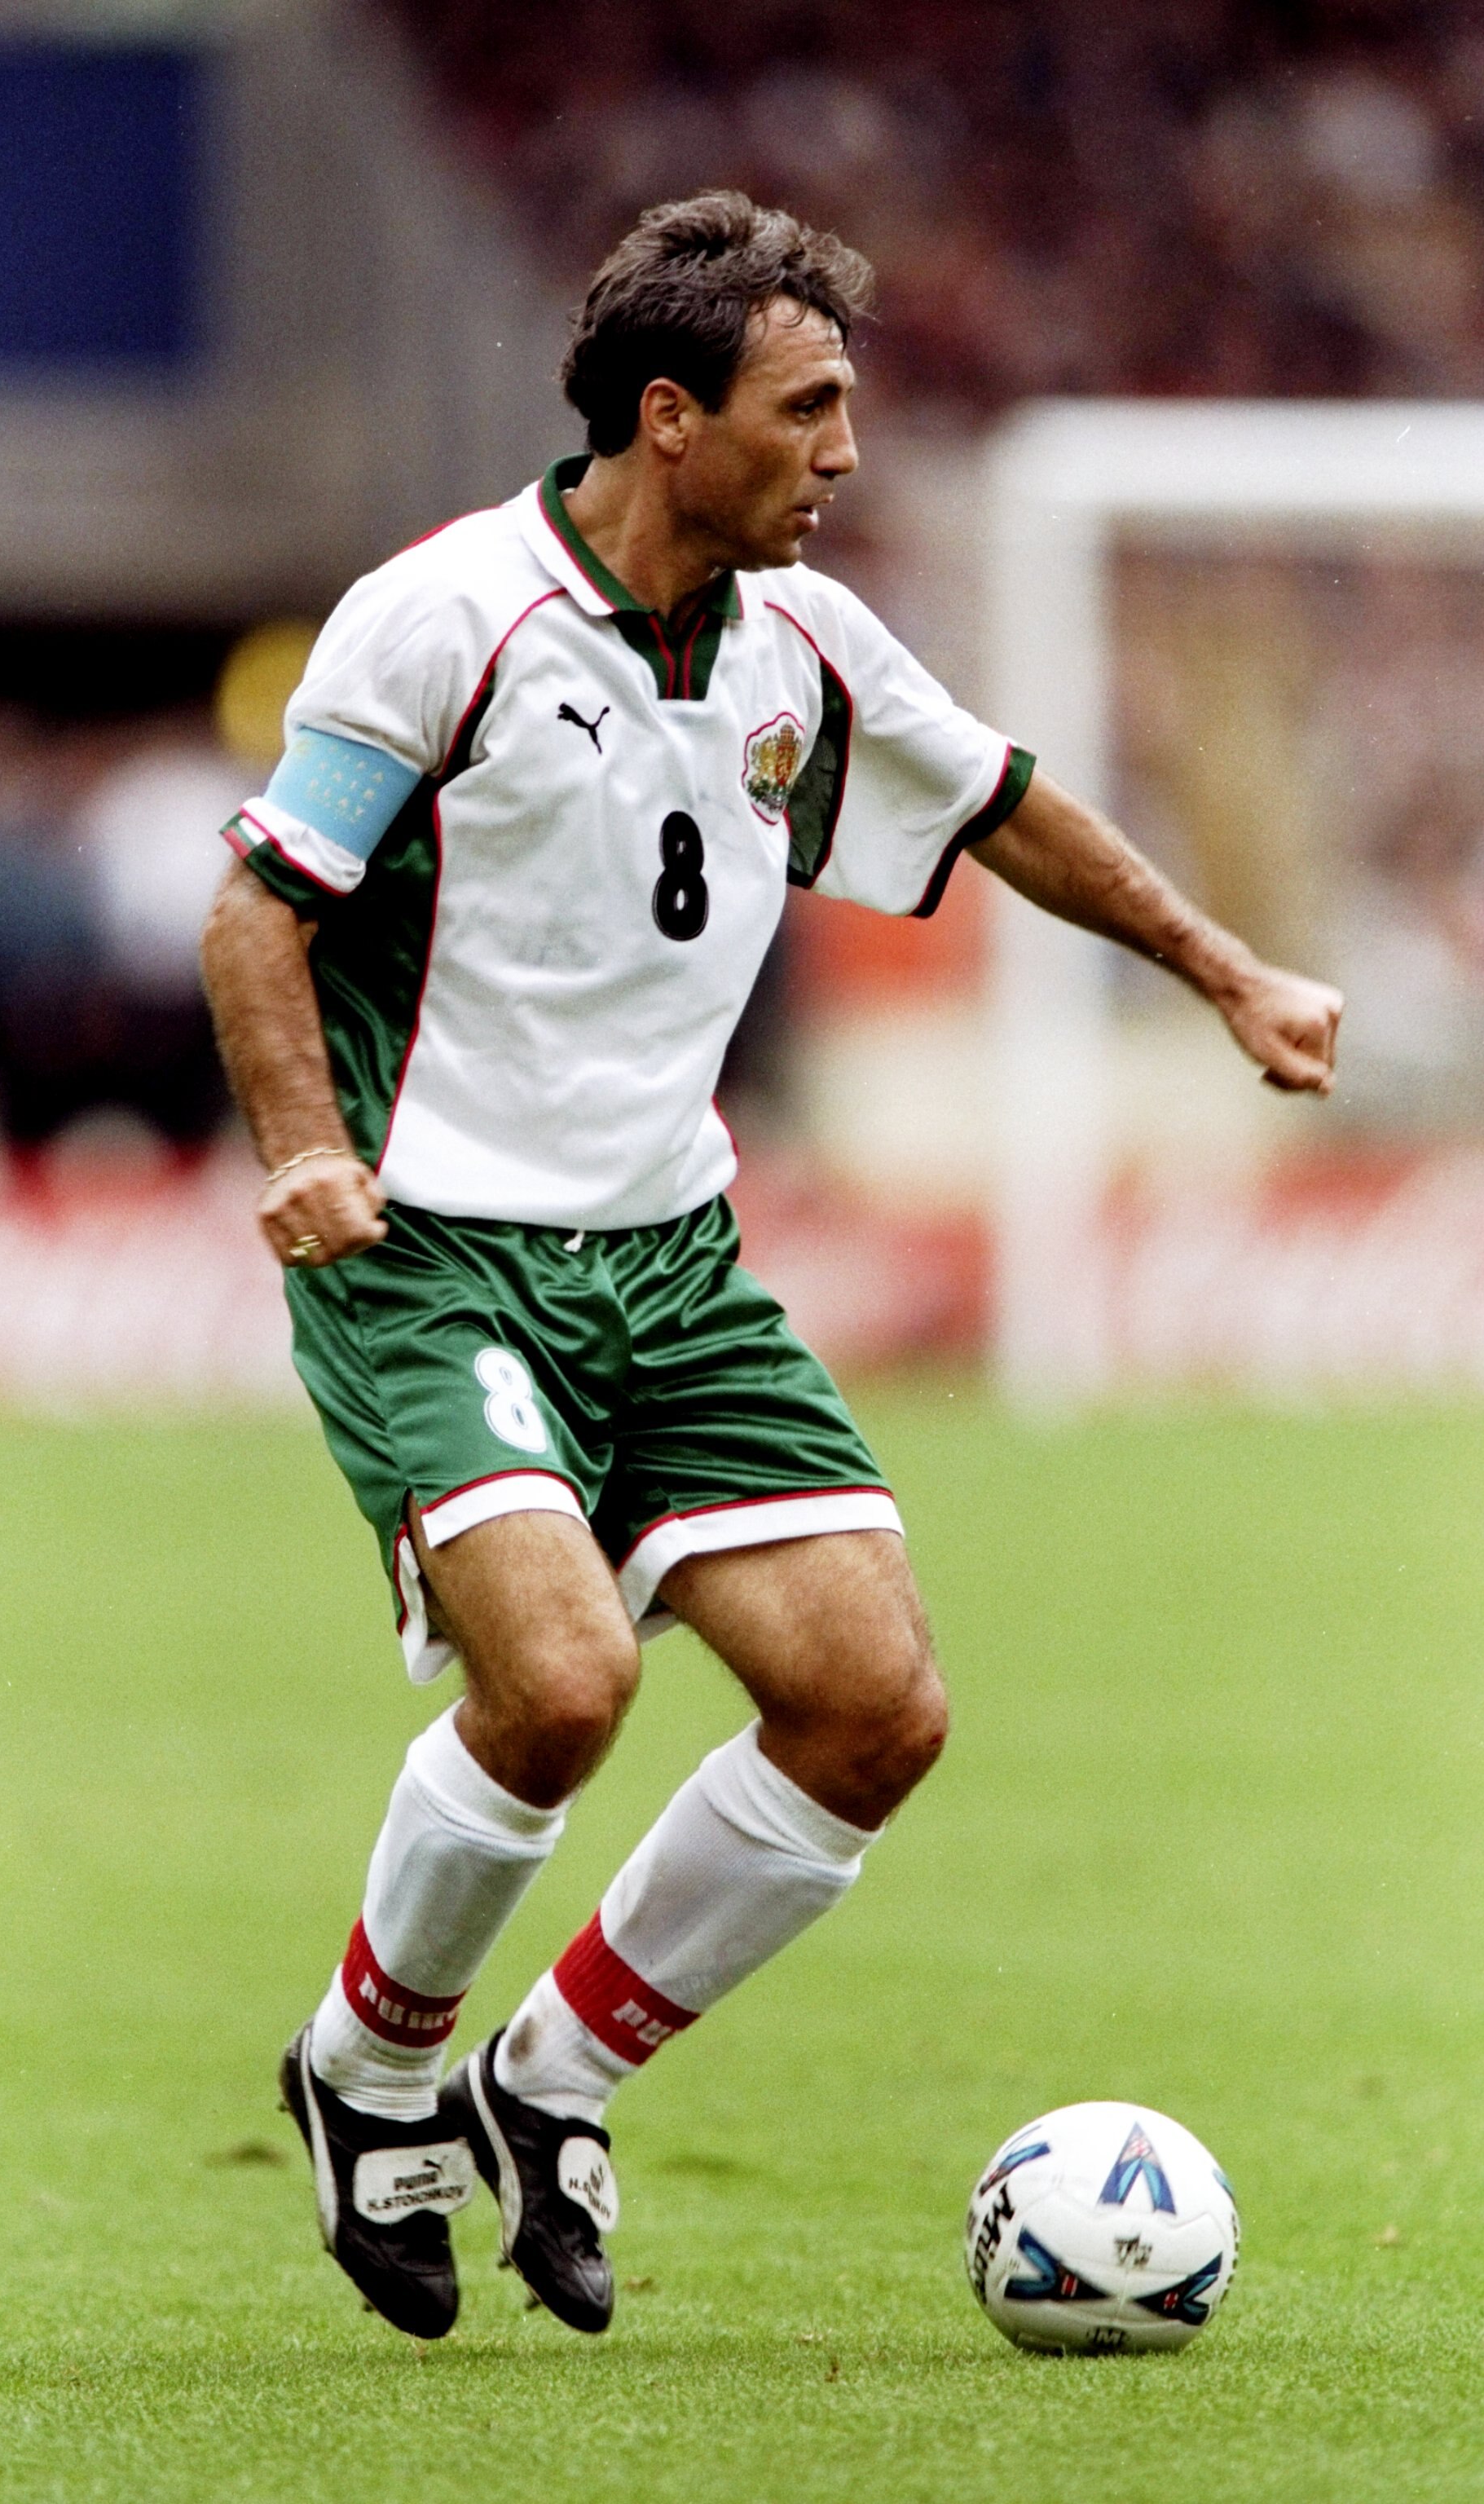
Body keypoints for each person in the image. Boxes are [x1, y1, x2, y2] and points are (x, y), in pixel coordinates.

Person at [199, 192, 1341, 2343]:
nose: (842, 450)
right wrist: (300, 1151)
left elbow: (999, 805)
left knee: (870, 1705)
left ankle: (554, 2081)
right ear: (670, 414)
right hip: (436, 1256)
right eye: (807, 409)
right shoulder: (437, 620)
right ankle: (368, 2069)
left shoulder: (801, 643)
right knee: (560, 1686)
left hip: (674, 1260)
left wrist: (1222, 969)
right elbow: (261, 909)